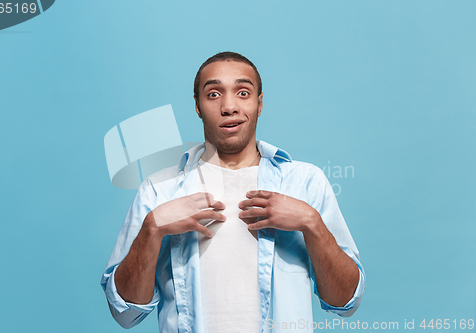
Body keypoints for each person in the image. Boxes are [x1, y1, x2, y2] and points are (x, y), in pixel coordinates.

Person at [101, 51, 365, 333]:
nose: (229, 107)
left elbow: (345, 301)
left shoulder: (305, 182)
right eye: (213, 94)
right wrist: (151, 229)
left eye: (242, 92)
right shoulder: (158, 189)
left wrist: (312, 224)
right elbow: (125, 313)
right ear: (197, 106)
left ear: (259, 103)